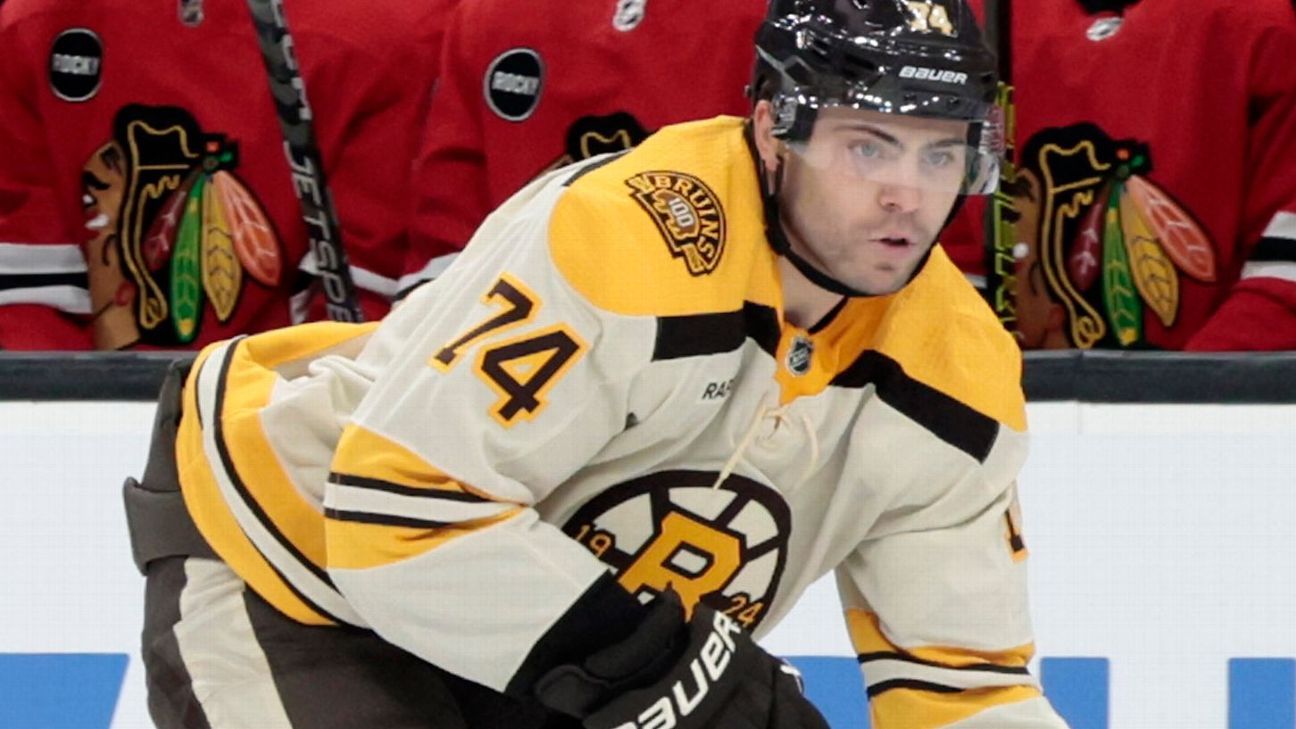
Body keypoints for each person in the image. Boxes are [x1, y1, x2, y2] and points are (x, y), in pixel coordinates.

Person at [124, 0, 1068, 727]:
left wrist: (676, 680)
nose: (907, 195)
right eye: (869, 146)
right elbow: (399, 516)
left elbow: (964, 685)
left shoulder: (958, 372)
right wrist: (679, 676)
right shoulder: (632, 235)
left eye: (941, 156)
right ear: (773, 130)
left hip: (520, 636)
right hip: (297, 563)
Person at [0, 0, 454, 350]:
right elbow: (26, 303)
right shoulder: (36, 23)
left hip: (280, 412)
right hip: (95, 413)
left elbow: (365, 312)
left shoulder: (395, 33)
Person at [949, 0, 1296, 350]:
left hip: (1222, 380)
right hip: (997, 373)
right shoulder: (969, 24)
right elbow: (947, 264)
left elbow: (1284, 279)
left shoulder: (1259, 27)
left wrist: (1193, 382)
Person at [400, 0, 766, 295]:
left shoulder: (770, 24)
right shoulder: (492, 16)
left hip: (714, 335)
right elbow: (446, 255)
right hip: (515, 331)